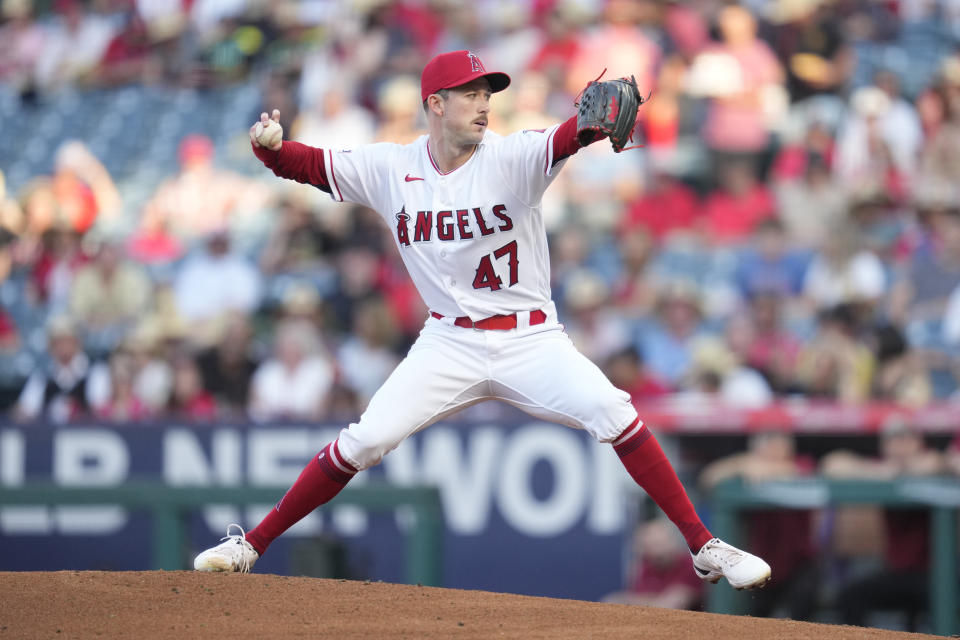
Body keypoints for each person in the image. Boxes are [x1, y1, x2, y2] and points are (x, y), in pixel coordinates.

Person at [193, 50, 771, 591]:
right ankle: (253, 545)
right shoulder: (392, 167)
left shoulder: (512, 156)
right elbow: (311, 166)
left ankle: (703, 544)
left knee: (613, 411)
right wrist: (270, 150)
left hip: (531, 337)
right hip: (447, 341)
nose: (483, 102)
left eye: (487, 91)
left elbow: (567, 136)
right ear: (434, 104)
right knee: (365, 440)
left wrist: (590, 127)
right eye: (469, 93)